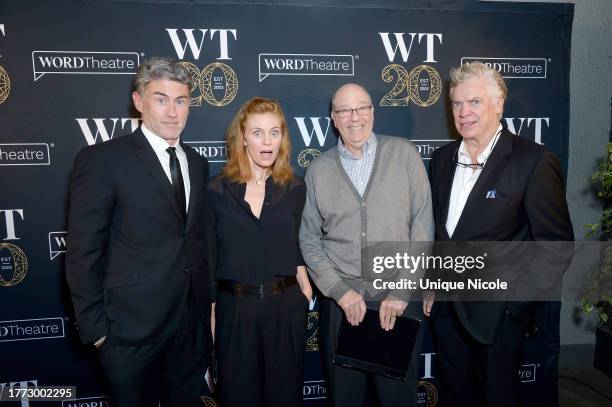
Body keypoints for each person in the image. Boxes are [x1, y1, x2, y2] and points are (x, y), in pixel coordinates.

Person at [65, 57, 212, 407]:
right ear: (138, 101)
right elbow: (83, 252)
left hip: (190, 331)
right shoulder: (102, 160)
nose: (173, 112)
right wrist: (98, 333)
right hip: (129, 334)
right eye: (161, 99)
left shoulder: (197, 163)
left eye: (181, 100)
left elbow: (195, 241)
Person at [426, 62, 574, 407]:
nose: (464, 112)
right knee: (455, 396)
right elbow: (439, 232)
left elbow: (556, 247)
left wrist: (513, 309)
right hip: (447, 314)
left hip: (498, 318)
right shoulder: (442, 158)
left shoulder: (533, 161)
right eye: (457, 104)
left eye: (474, 102)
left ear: (499, 104)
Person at [299, 83, 434, 407]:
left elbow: (423, 227)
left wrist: (402, 292)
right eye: (344, 110)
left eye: (361, 108)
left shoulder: (404, 154)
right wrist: (340, 291)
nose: (354, 117)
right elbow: (309, 239)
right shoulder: (318, 170)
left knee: (397, 400)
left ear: (373, 112)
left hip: (398, 304)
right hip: (343, 307)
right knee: (345, 399)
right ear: (333, 118)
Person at [208, 97, 312, 407]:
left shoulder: (295, 187)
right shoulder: (216, 189)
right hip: (235, 309)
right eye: (257, 133)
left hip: (285, 307)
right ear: (242, 137)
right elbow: (209, 253)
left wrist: (305, 286)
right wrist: (213, 307)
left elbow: (297, 242)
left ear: (283, 136)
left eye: (274, 132)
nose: (267, 142)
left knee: (285, 397)